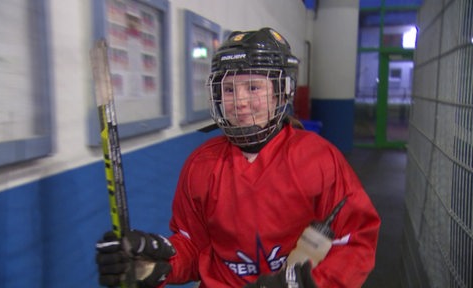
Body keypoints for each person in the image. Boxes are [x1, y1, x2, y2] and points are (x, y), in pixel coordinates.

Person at [96, 27, 381, 288]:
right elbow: (195, 249)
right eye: (229, 89)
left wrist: (305, 284)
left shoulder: (319, 159)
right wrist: (155, 263)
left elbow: (355, 239)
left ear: (281, 93)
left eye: (253, 88)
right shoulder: (201, 164)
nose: (239, 102)